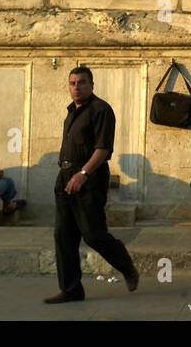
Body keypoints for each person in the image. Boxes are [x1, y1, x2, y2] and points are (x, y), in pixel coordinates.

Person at [44, 66, 139, 304]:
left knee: (93, 234)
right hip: (64, 176)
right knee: (63, 235)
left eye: (82, 82)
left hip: (89, 177)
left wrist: (83, 173)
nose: (76, 87)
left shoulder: (101, 110)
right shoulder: (70, 112)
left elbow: (103, 148)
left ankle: (125, 265)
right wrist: (67, 176)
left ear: (91, 85)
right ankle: (71, 289)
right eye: (72, 83)